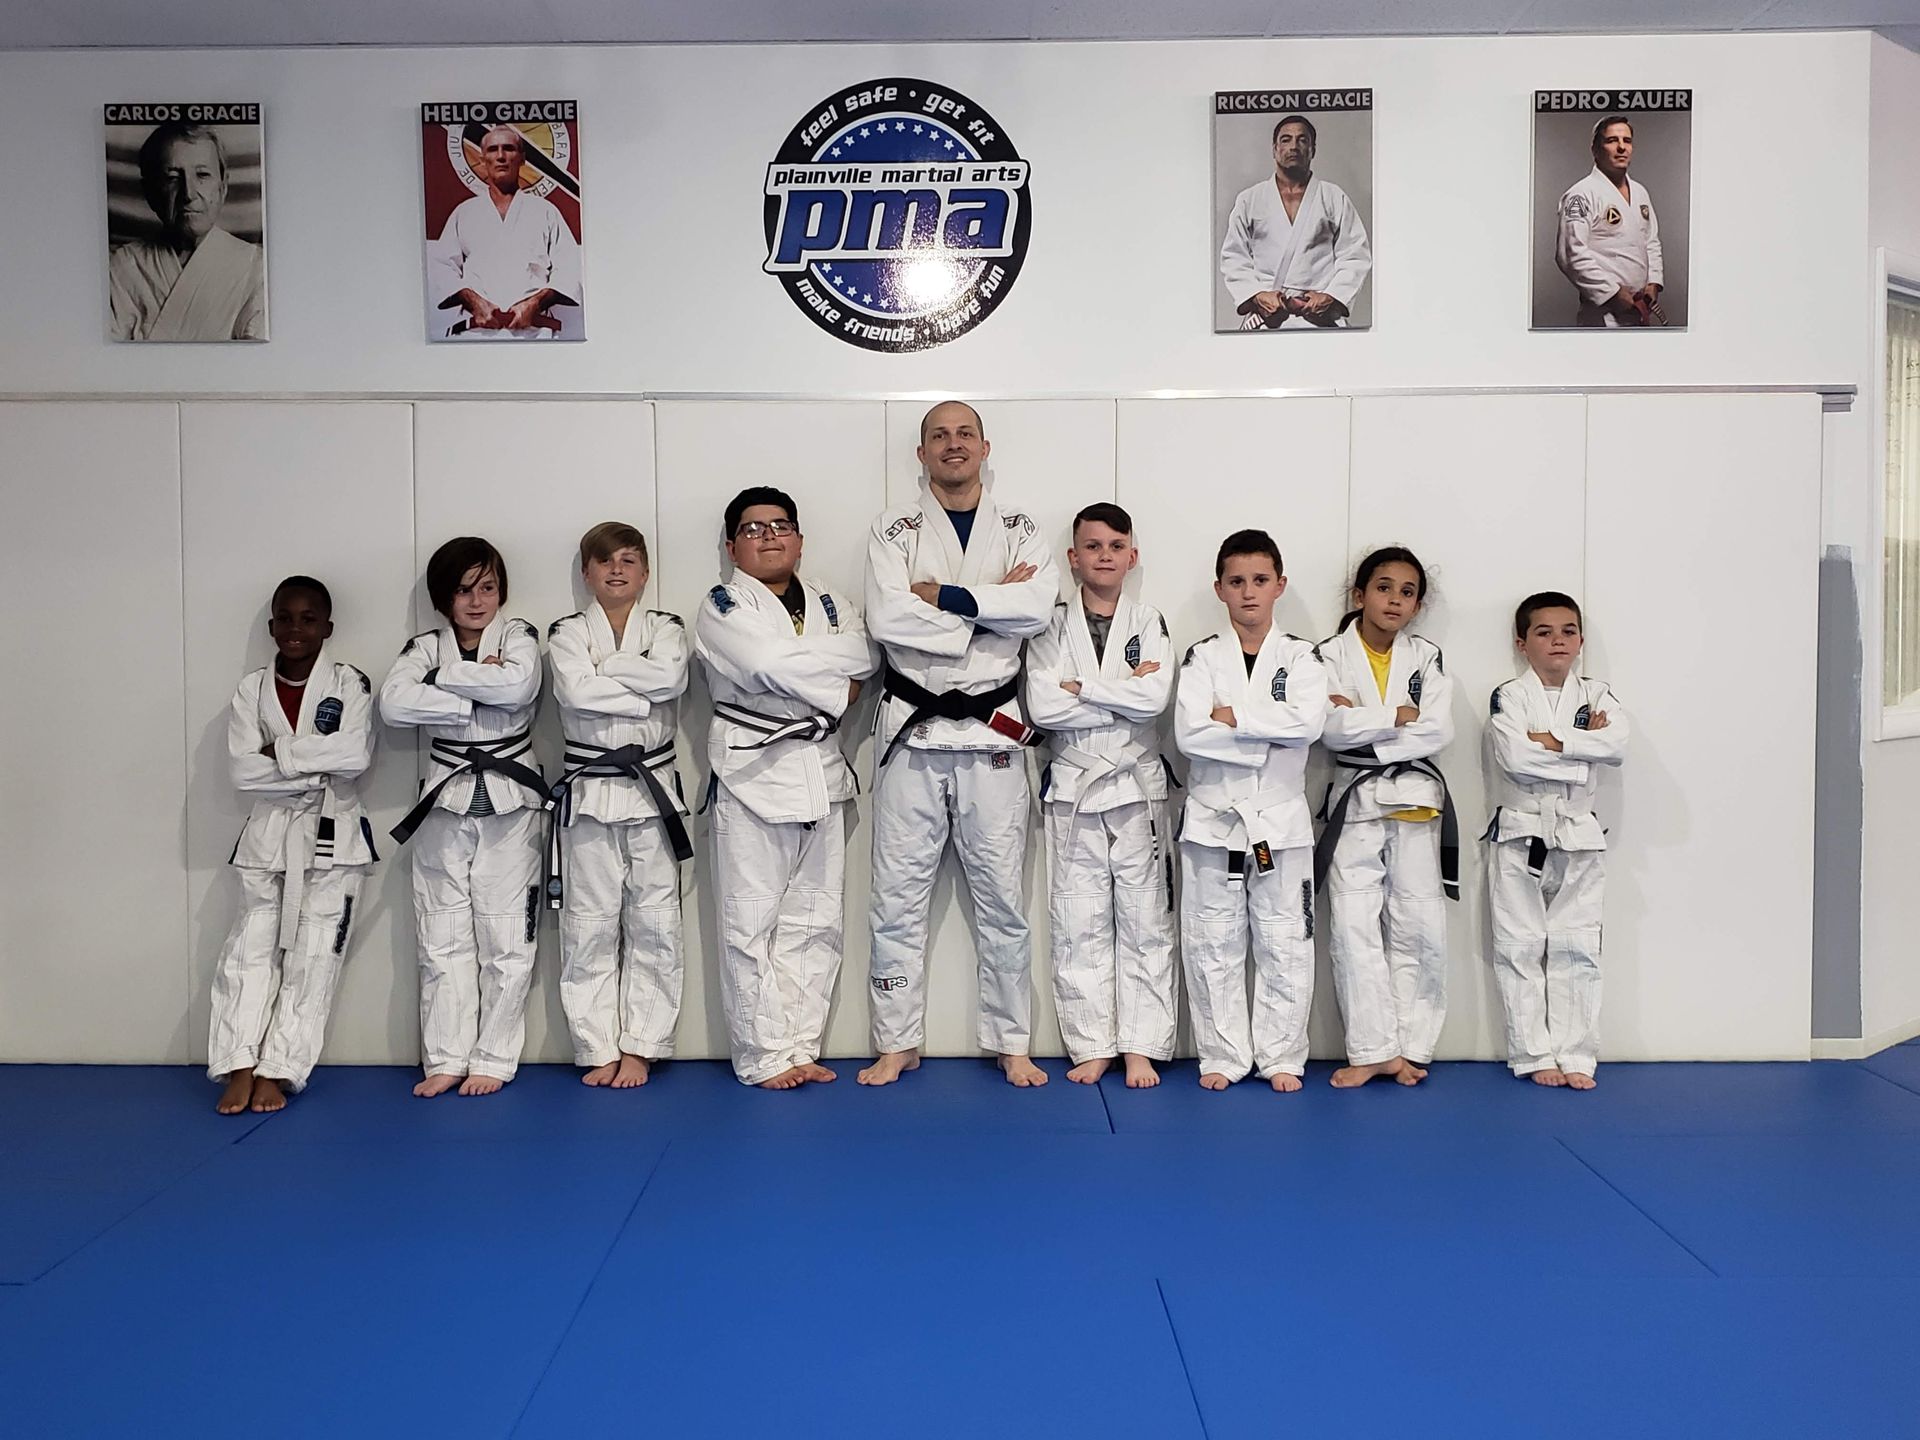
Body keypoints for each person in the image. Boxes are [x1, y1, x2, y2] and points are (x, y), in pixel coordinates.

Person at [860, 400, 1060, 1087]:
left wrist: (941, 596)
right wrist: (986, 608)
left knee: (1003, 902)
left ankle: (1011, 1041)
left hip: (993, 738)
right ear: (921, 453)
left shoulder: (1024, 527)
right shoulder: (893, 528)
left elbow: (1034, 611)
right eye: (939, 436)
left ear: (984, 448)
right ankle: (896, 1041)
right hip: (913, 737)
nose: (953, 445)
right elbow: (887, 619)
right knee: (896, 899)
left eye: (964, 434)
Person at [695, 488, 878, 1089]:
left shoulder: (830, 599)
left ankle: (800, 1045)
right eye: (753, 529)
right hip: (753, 773)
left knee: (814, 919)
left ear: (799, 538)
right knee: (749, 923)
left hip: (821, 769)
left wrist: (808, 661)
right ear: (732, 546)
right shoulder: (722, 604)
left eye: (780, 526)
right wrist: (834, 689)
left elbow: (864, 654)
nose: (769, 536)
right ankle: (762, 1054)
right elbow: (762, 665)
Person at [381, 538, 545, 1097]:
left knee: (506, 937)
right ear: (442, 598)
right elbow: (394, 704)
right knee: (441, 934)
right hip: (445, 801)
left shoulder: (519, 636)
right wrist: (477, 693)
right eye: (462, 590)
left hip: (510, 801)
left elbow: (520, 686)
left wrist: (441, 680)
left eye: (487, 588)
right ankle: (446, 1057)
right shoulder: (425, 644)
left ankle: (493, 1058)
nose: (476, 601)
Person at [1022, 502, 1177, 1088]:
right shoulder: (1048, 624)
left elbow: (1153, 699)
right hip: (1076, 786)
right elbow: (1044, 707)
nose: (1105, 555)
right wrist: (1122, 690)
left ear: (1131, 556)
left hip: (1137, 787)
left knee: (1145, 919)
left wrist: (1082, 685)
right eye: (1092, 546)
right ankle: (1092, 1042)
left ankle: (1142, 1044)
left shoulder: (1150, 619)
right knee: (1077, 919)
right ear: (1073, 557)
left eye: (1116, 545)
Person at [208, 577, 375, 1114]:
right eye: (285, 618)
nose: (295, 629)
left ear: (327, 627)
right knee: (247, 953)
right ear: (271, 625)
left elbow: (353, 758)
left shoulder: (350, 682)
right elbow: (242, 771)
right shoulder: (249, 690)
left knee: (314, 960)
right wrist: (311, 766)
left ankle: (278, 1071)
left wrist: (277, 750)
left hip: (333, 839)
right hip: (266, 840)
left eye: (308, 619)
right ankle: (239, 1064)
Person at [1175, 530, 1328, 1091]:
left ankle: (1283, 1055)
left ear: (1279, 585)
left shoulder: (1302, 656)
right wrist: (1270, 727)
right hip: (1215, 818)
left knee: (1285, 938)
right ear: (1219, 589)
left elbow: (1309, 725)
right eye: (1236, 582)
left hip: (1279, 822)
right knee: (1211, 938)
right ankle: (1222, 1054)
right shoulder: (1201, 656)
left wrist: (1232, 717)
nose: (1249, 592)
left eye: (1260, 580)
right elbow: (1190, 736)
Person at [547, 522, 691, 1089]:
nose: (616, 569)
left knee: (656, 922)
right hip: (588, 792)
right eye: (604, 561)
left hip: (651, 790)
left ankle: (644, 1045)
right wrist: (642, 684)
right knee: (588, 925)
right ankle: (595, 1045)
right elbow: (574, 693)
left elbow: (673, 678)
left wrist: (607, 670)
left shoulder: (667, 627)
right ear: (587, 573)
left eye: (629, 560)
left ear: (645, 573)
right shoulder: (565, 631)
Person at [1314, 547, 1457, 1088]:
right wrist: (1395, 718)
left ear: (1418, 604)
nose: (1394, 599)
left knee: (1419, 923)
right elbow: (1328, 729)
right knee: (1354, 925)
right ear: (1360, 595)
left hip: (1416, 798)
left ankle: (1411, 1047)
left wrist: (1363, 721)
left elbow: (1438, 730)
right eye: (1383, 587)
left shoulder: (1427, 657)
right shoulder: (1326, 654)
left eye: (1407, 591)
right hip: (1353, 801)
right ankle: (1372, 1049)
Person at [1484, 592, 1630, 1089]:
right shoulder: (1508, 695)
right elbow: (1515, 758)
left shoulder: (1598, 694)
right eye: (1544, 632)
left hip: (1579, 830)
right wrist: (1584, 750)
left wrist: (1556, 741)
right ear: (1522, 643)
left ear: (1582, 640)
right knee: (1520, 944)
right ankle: (1532, 1054)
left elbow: (1618, 745)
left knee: (1578, 944)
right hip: (1521, 831)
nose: (1558, 640)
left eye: (1568, 631)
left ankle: (1577, 1055)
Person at [108, 122, 266, 342]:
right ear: (150, 193)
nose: (189, 193)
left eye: (202, 175)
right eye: (172, 178)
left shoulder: (256, 268)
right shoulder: (122, 269)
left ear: (223, 187)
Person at [427, 125, 582, 339]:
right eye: (492, 150)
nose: (501, 156)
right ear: (482, 160)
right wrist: (474, 301)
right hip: (476, 334)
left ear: (522, 159)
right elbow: (442, 267)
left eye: (508, 148)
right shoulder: (465, 212)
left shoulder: (545, 211)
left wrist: (535, 303)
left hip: (536, 334)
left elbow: (568, 268)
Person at [1220, 113, 1371, 330]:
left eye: (1302, 140)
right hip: (1268, 315)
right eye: (1286, 139)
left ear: (1313, 149)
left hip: (1319, 316)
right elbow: (1234, 257)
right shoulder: (1250, 199)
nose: (1294, 146)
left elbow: (1355, 254)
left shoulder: (1333, 196)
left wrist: (1332, 296)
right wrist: (1257, 296)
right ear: (1274, 149)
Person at [1553, 115, 1664, 328]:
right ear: (1595, 149)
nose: (1621, 147)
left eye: (1627, 141)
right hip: (1603, 315)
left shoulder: (1640, 192)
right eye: (1612, 140)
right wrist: (1611, 293)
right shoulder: (1581, 194)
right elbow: (1570, 254)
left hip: (1640, 309)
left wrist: (1654, 283)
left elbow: (1651, 240)